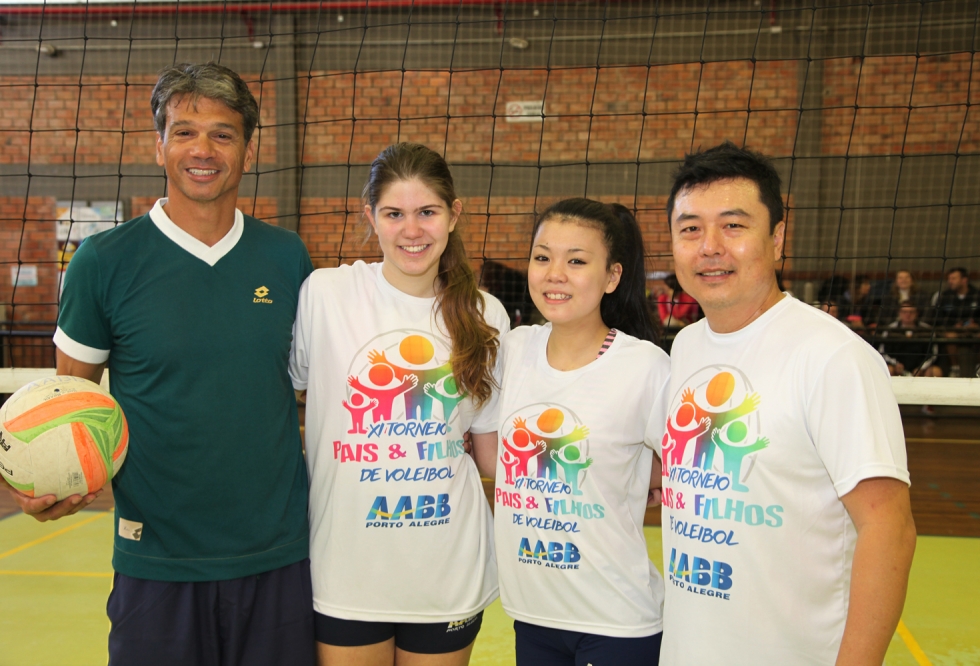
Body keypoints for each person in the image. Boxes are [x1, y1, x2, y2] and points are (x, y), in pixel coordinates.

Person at [3, 63, 316, 665]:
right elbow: (67, 408)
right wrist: (49, 482)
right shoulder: (102, 262)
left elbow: (314, 393)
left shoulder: (286, 257)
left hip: (278, 557)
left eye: (223, 134)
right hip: (156, 563)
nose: (203, 150)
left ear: (248, 151)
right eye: (184, 132)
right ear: (159, 145)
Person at [659, 141, 915, 665]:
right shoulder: (686, 346)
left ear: (776, 238)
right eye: (690, 229)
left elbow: (888, 529)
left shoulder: (833, 356)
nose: (710, 247)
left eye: (733, 226)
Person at [289, 143, 509, 666]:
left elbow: (491, 453)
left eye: (427, 212)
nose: (412, 230)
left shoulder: (486, 314)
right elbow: (284, 390)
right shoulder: (325, 294)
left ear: (453, 215)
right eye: (394, 214)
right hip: (346, 570)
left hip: (447, 568)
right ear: (371, 217)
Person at [472, 199, 670, 666]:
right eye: (542, 257)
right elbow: (493, 458)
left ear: (612, 276)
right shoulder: (513, 349)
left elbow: (681, 471)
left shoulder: (645, 366)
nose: (555, 274)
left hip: (615, 620)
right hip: (532, 615)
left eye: (576, 261)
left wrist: (639, 477)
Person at [927, 267, 980, 376]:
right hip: (954, 331)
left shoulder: (979, 295)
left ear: (964, 280)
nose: (950, 281)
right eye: (949, 279)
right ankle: (955, 369)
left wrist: (977, 326)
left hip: (975, 331)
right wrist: (953, 327)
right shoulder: (945, 296)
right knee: (950, 336)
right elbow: (939, 319)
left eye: (953, 278)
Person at [878, 301, 943, 377]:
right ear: (899, 313)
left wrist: (921, 368)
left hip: (921, 368)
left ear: (916, 313)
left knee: (935, 371)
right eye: (904, 312)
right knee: (888, 370)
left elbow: (933, 354)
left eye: (911, 312)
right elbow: (883, 352)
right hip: (897, 367)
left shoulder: (927, 330)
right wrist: (896, 364)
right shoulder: (889, 330)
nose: (908, 315)